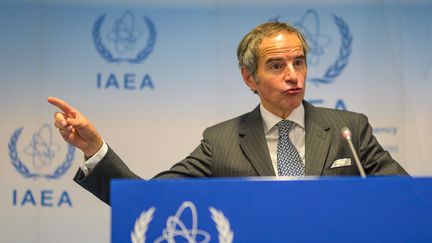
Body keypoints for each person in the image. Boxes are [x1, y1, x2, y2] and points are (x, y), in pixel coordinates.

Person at [48, 21, 408, 205]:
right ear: (249, 77)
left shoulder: (349, 128)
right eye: (277, 65)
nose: (293, 75)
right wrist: (95, 150)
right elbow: (147, 200)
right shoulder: (220, 142)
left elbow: (406, 198)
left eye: (299, 62)